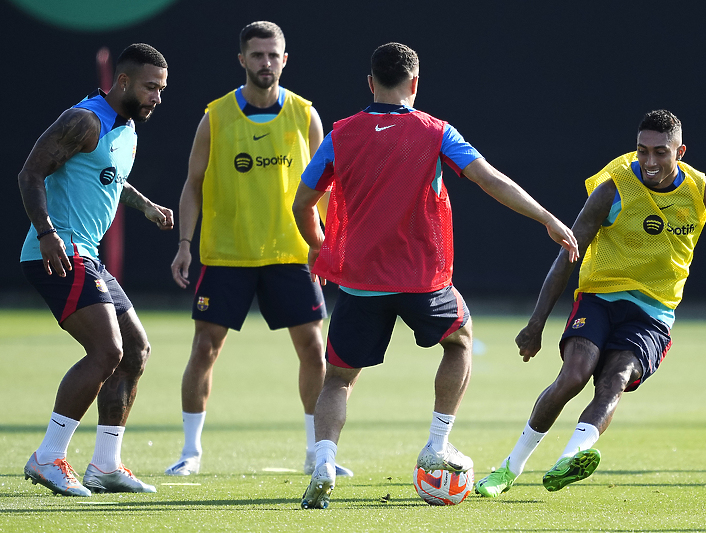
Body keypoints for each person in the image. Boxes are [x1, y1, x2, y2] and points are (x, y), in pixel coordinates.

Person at [293, 42, 579, 510]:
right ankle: (437, 443)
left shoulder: (340, 134)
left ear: (370, 83)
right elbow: (489, 178)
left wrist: (318, 245)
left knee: (339, 380)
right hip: (422, 280)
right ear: (415, 83)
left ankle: (324, 462)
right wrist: (546, 217)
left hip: (359, 282)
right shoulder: (436, 131)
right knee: (460, 340)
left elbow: (302, 203)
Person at [476, 109, 706, 497]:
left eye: (661, 152)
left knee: (614, 381)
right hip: (599, 297)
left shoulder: (704, 189)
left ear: (681, 151)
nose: (650, 162)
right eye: (642, 151)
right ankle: (509, 469)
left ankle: (571, 457)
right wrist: (536, 323)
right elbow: (567, 255)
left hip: (653, 311)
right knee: (574, 376)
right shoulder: (612, 189)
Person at [165, 21, 351, 479]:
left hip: (290, 251)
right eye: (257, 55)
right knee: (205, 348)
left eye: (273, 55)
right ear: (242, 60)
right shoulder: (216, 116)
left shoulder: (305, 114)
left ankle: (316, 452)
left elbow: (326, 187)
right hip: (227, 252)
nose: (265, 63)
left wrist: (325, 245)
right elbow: (192, 184)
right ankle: (191, 452)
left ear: (285, 60)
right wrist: (185, 243)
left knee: (314, 349)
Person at [19, 43, 172, 496]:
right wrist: (46, 232)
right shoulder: (84, 119)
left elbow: (108, 176)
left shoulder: (127, 130)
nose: (156, 98)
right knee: (107, 351)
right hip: (59, 251)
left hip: (88, 256)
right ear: (122, 81)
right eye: (150, 87)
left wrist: (145, 206)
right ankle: (48, 457)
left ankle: (105, 465)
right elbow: (30, 172)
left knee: (135, 352)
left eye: (161, 90)